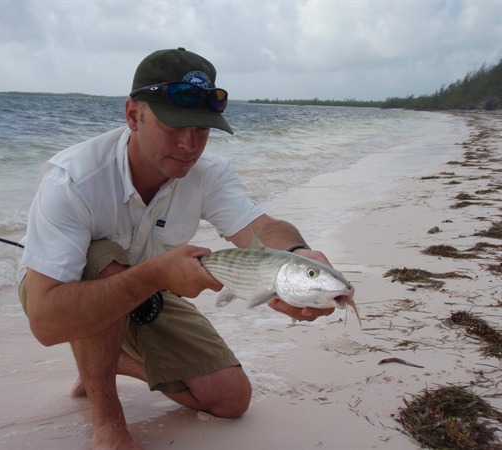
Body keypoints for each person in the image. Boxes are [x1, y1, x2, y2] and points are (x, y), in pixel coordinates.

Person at [18, 47, 335, 449]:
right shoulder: (73, 180)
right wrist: (156, 273)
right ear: (134, 115)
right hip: (63, 291)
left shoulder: (209, 174)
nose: (189, 144)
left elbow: (261, 228)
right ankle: (108, 424)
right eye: (174, 126)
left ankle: (104, 358)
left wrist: (296, 254)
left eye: (201, 129)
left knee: (231, 398)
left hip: (150, 288)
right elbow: (46, 323)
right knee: (101, 260)